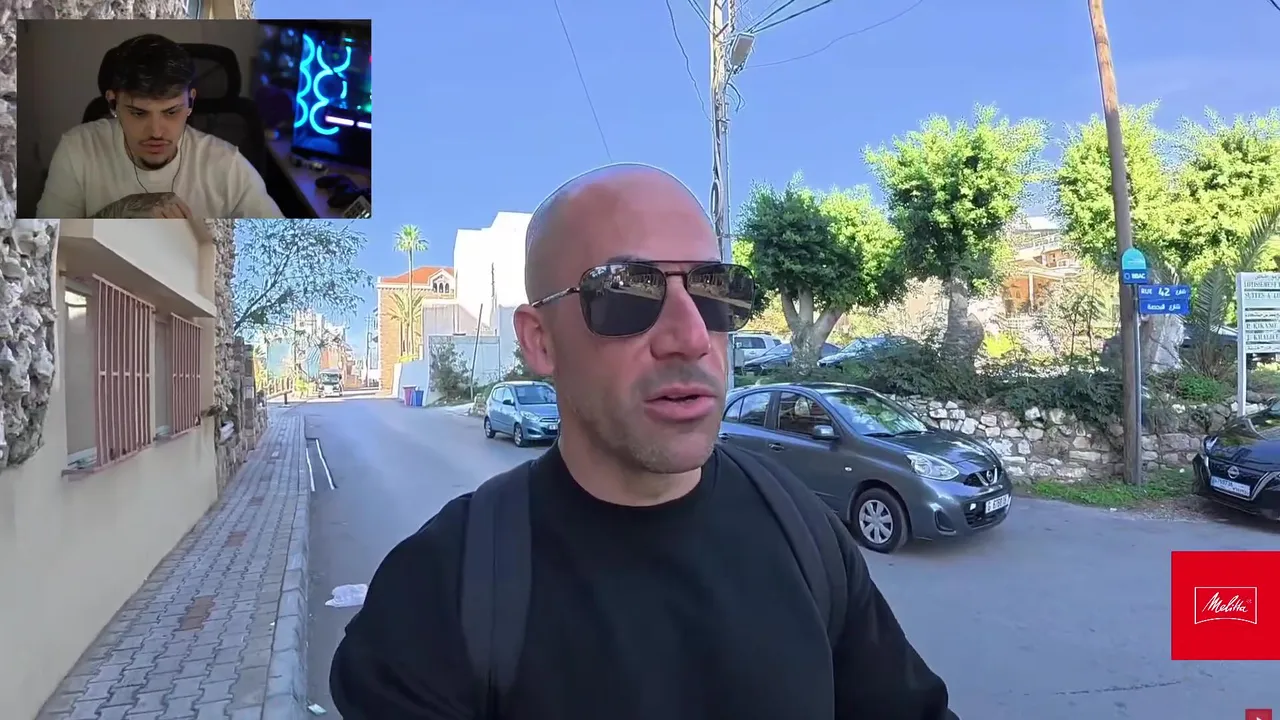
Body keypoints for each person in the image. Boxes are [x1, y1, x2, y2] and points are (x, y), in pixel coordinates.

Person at [329, 163, 959, 720]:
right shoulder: (440, 595)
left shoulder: (801, 528)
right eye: (628, 293)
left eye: (714, 291)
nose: (691, 336)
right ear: (540, 341)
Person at [35, 34, 282, 219]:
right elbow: (45, 244)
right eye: (138, 113)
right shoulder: (77, 149)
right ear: (113, 103)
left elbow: (279, 244)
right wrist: (119, 212)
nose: (156, 132)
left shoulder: (228, 166)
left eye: (171, 112)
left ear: (190, 102)